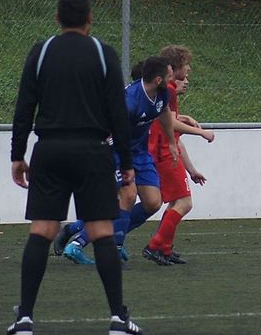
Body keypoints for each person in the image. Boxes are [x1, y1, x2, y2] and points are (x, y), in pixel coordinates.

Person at [8, 0, 142, 335]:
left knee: (41, 230)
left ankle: (24, 317)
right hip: (92, 151)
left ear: (57, 18)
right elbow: (117, 112)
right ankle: (117, 318)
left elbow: (25, 106)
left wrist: (17, 155)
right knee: (101, 232)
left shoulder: (41, 52)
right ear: (89, 19)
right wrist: (126, 163)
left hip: (49, 151)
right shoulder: (102, 53)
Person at [59, 56, 184, 265]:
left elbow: (163, 113)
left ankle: (77, 232)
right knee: (128, 194)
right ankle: (110, 248)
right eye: (171, 75)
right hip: (116, 151)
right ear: (158, 80)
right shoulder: (129, 102)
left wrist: (172, 142)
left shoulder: (163, 93)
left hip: (140, 153)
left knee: (153, 202)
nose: (175, 78)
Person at [143, 45, 214, 265]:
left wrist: (184, 117)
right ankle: (155, 245)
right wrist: (201, 132)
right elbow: (169, 123)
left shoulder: (167, 89)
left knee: (176, 202)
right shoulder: (170, 90)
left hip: (162, 151)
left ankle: (164, 248)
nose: (189, 69)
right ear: (175, 68)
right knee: (184, 203)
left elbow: (168, 119)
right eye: (186, 65)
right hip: (165, 152)